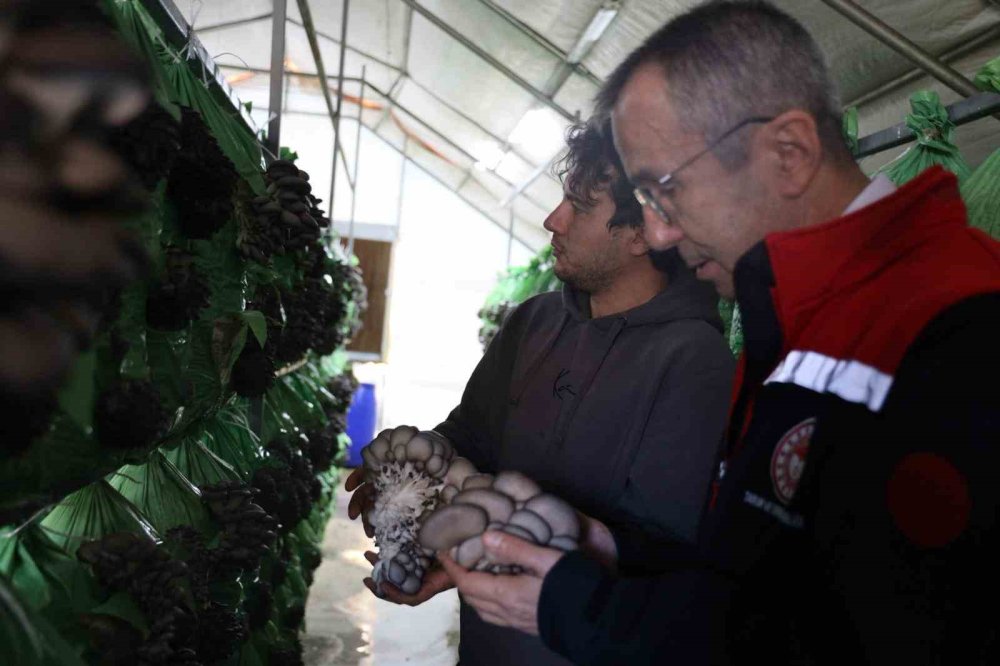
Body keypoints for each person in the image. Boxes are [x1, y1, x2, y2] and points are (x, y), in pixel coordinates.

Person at [441, 2, 1000, 664]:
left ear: (787, 153)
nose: (658, 232)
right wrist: (600, 549)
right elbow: (762, 577)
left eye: (665, 190)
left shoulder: (959, 331)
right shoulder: (789, 328)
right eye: (646, 202)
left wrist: (580, 606)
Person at [346, 117, 735, 665]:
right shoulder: (534, 321)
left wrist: (496, 529)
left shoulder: (695, 362)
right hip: (486, 647)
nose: (554, 220)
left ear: (645, 231)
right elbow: (470, 436)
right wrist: (411, 485)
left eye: (579, 206)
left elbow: (662, 551)